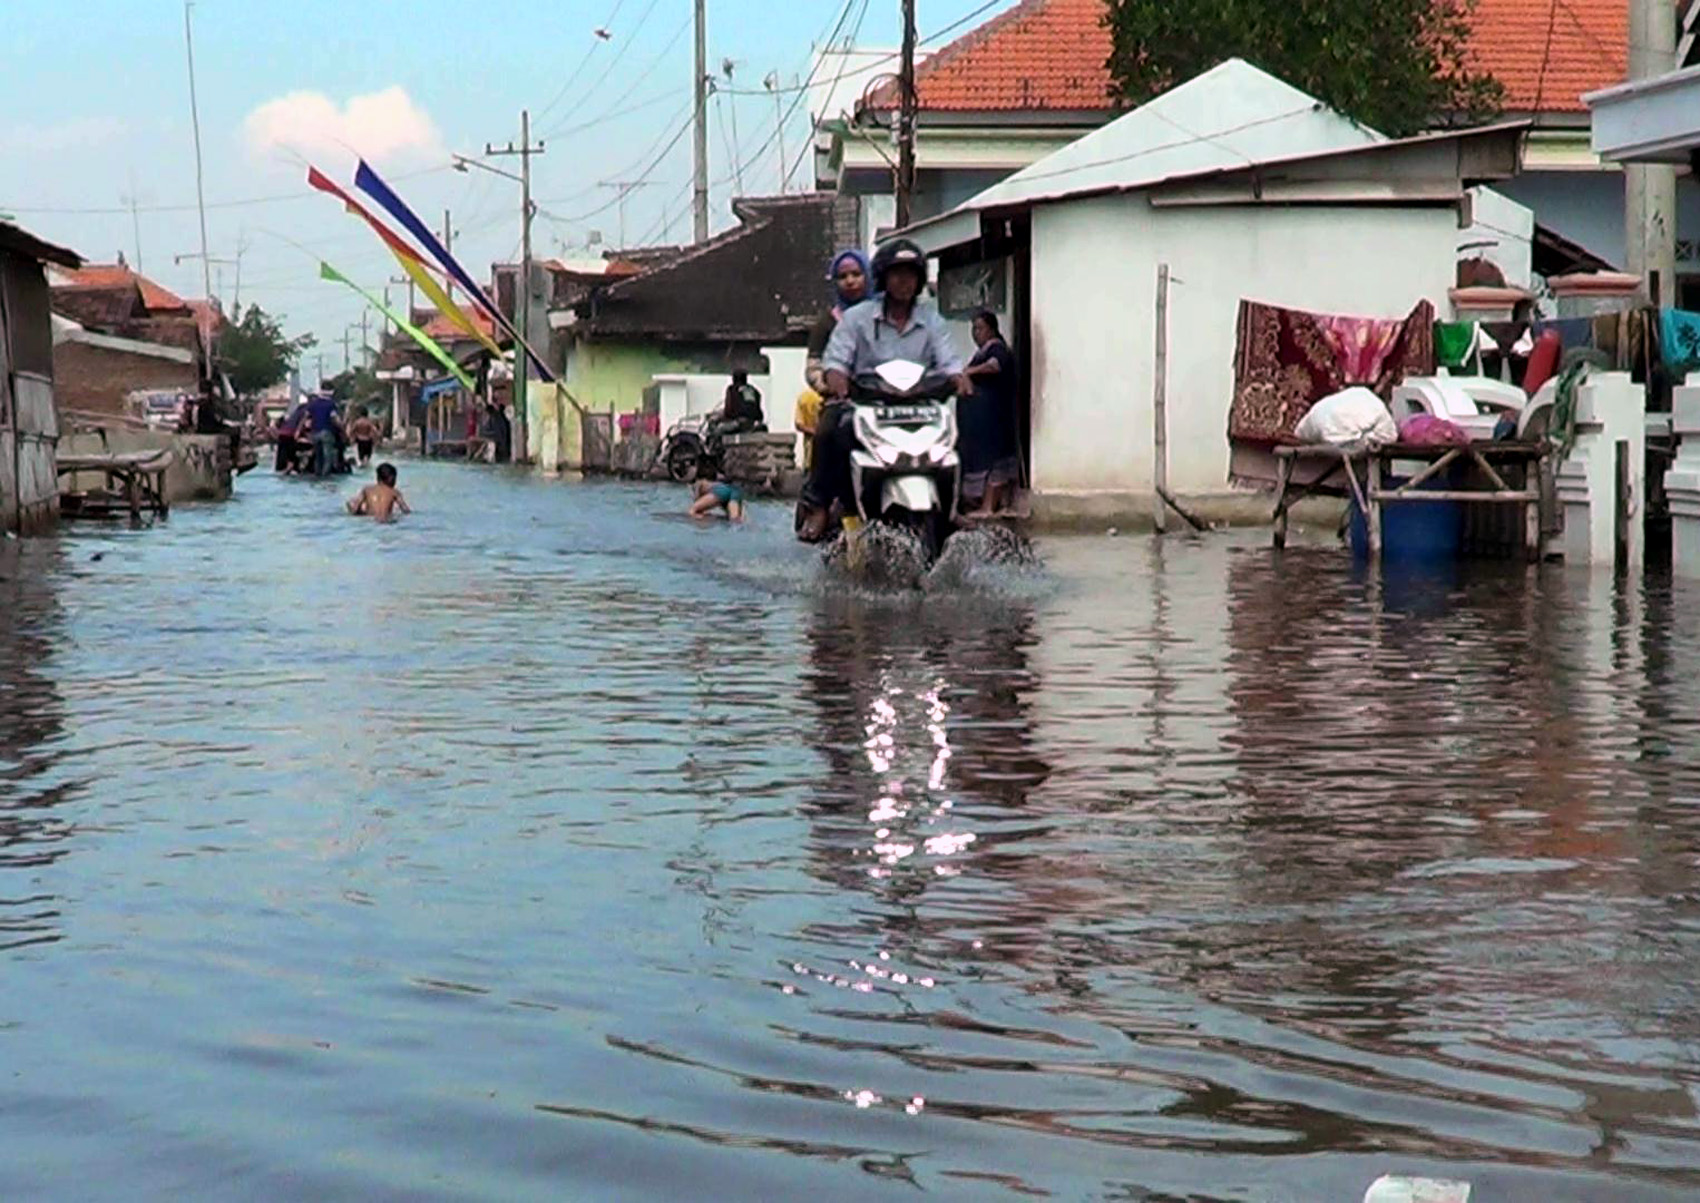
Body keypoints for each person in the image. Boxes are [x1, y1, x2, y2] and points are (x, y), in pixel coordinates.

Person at [796, 239, 971, 543]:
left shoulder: (932, 320)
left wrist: (959, 378)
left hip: (920, 406)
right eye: (896, 274)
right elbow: (835, 360)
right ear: (882, 277)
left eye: (911, 274)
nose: (904, 281)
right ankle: (819, 504)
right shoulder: (856, 318)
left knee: (961, 431)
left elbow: (949, 360)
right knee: (828, 429)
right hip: (864, 403)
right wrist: (837, 379)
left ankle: (956, 504)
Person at [794, 249, 870, 482]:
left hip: (885, 401)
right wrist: (828, 384)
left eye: (856, 274)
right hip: (842, 403)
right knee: (825, 436)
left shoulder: (885, 317)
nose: (850, 281)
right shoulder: (827, 323)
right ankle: (817, 505)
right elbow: (813, 367)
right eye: (843, 276)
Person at [960, 309, 1022, 517]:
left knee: (995, 464)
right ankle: (996, 504)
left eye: (979, 328)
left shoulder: (997, 349)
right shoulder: (981, 352)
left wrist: (970, 372)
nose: (975, 333)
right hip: (982, 422)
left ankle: (989, 507)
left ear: (992, 329)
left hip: (995, 418)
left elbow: (994, 366)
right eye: (973, 329)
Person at [346, 462, 411, 521]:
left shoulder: (367, 490)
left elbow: (355, 509)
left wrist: (360, 512)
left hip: (370, 520)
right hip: (386, 520)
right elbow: (406, 510)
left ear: (378, 478)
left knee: (351, 503)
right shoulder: (394, 492)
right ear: (391, 478)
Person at [304, 390, 343, 478]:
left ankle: (317, 475)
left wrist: (298, 431)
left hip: (315, 432)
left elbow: (306, 417)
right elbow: (334, 418)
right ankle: (325, 477)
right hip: (327, 431)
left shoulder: (313, 404)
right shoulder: (331, 404)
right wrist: (341, 428)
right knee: (327, 457)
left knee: (318, 456)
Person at [275, 402, 304, 474]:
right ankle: (292, 466)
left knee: (283, 451)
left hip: (283, 433)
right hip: (291, 433)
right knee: (292, 450)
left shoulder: (295, 413)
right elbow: (302, 423)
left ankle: (282, 467)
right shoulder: (306, 411)